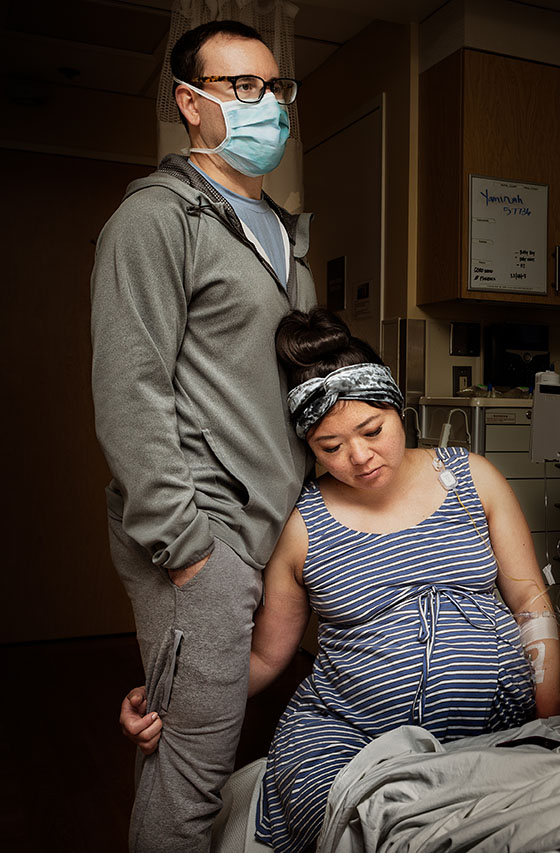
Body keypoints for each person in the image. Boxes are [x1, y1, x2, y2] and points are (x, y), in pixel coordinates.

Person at [125, 308, 560, 853]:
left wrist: (548, 723)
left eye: (372, 430)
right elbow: (263, 658)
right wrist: (170, 701)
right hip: (342, 741)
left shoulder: (473, 477)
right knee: (386, 836)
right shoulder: (302, 525)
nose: (358, 457)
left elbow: (530, 601)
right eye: (329, 447)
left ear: (397, 407)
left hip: (496, 728)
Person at [91, 19, 315, 852]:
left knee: (213, 750)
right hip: (203, 536)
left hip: (270, 533)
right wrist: (188, 546)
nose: (269, 106)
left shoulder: (283, 236)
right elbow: (130, 389)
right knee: (190, 779)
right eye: (243, 87)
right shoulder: (155, 221)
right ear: (191, 104)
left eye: (277, 87)